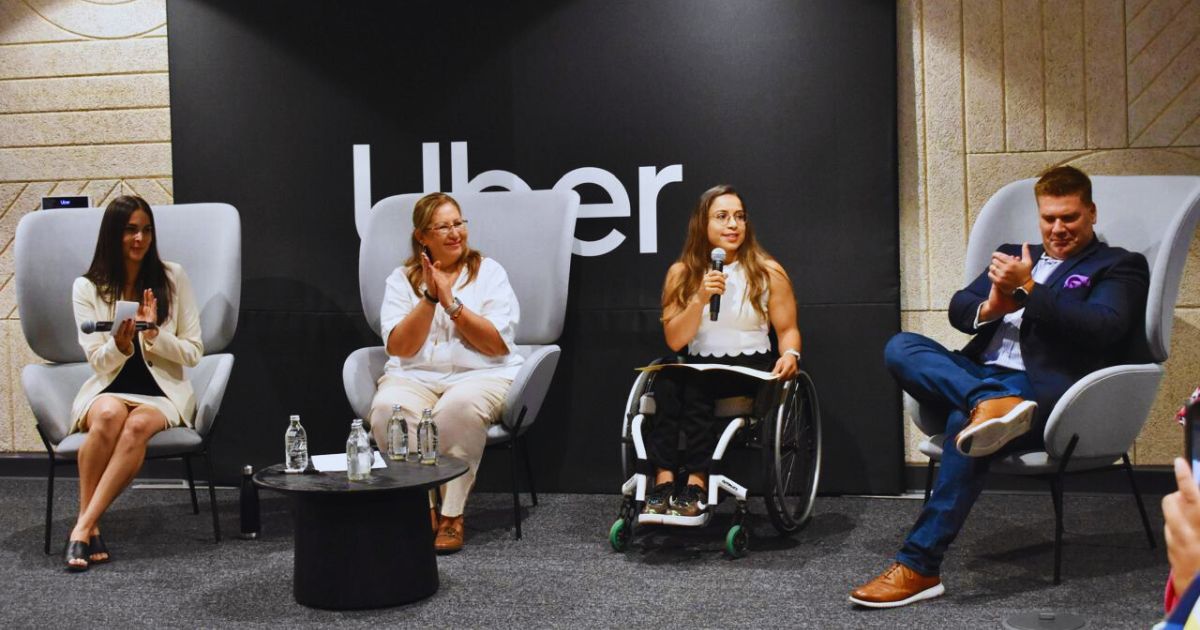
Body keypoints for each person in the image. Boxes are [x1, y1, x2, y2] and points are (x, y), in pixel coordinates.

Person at [850, 165, 1150, 607]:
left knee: (963, 424)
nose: (1058, 228)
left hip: (1042, 387)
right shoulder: (1012, 252)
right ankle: (987, 400)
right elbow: (960, 307)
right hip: (980, 376)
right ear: (1039, 216)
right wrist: (992, 305)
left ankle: (919, 566)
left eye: (1069, 217)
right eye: (1049, 218)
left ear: (1091, 214)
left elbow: (1103, 328)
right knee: (901, 345)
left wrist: (1028, 287)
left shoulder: (1118, 265)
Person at [368, 191, 522, 554]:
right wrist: (430, 298)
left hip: (481, 375)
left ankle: (453, 515)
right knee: (386, 410)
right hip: (414, 376)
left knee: (457, 410)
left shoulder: (489, 272)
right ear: (422, 236)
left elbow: (496, 345)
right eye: (444, 227)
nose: (455, 233)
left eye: (459, 223)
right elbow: (401, 348)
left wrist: (452, 303)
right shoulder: (401, 279)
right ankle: (421, 508)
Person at [643, 184, 802, 519]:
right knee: (668, 379)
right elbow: (674, 341)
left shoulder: (767, 270)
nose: (733, 225)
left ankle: (698, 484)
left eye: (739, 217)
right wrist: (699, 298)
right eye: (723, 217)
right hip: (699, 363)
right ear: (703, 225)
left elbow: (787, 331)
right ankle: (664, 482)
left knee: (697, 386)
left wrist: (790, 355)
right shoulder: (682, 274)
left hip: (749, 367)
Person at [66, 195, 203, 571]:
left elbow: (194, 351)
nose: (139, 238)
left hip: (161, 393)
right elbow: (96, 360)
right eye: (130, 230)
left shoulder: (172, 277)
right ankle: (89, 525)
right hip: (107, 387)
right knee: (109, 414)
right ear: (113, 235)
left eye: (145, 230)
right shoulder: (87, 287)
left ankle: (82, 528)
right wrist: (120, 344)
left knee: (138, 424)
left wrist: (156, 334)